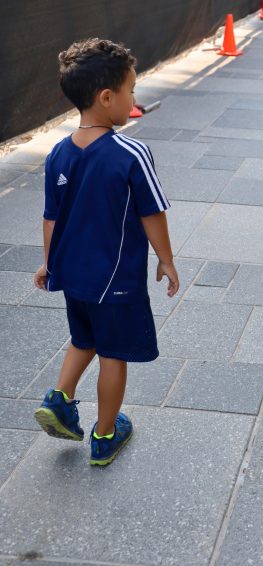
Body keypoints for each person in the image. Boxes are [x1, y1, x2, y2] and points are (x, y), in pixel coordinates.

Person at [33, 38, 179, 467]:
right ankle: (105, 434)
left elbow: (51, 218)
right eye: (131, 89)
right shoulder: (131, 153)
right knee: (113, 354)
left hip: (73, 278)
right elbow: (152, 212)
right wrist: (166, 259)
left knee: (84, 338)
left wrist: (49, 263)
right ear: (107, 97)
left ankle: (59, 398)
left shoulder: (58, 153)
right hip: (115, 282)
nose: (134, 98)